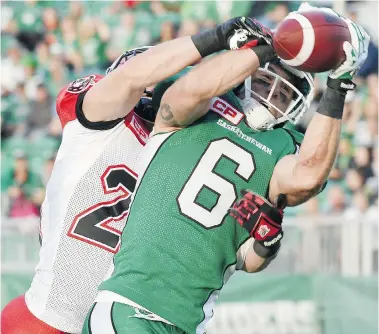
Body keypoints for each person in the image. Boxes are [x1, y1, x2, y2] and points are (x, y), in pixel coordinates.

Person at [83, 8, 369, 334]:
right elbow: (189, 93)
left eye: (285, 93)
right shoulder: (200, 107)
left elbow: (254, 252)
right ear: (245, 75)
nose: (272, 95)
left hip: (190, 323)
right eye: (264, 82)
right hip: (131, 306)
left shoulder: (285, 146)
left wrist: (339, 84)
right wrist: (271, 46)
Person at [1, 17, 272, 334]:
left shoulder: (191, 150)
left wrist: (268, 242)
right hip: (50, 318)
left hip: (126, 321)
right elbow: (131, 78)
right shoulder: (96, 124)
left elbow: (238, 257)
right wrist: (217, 38)